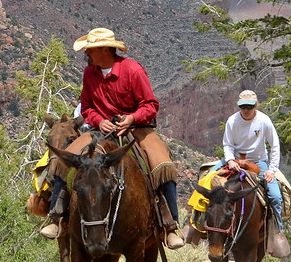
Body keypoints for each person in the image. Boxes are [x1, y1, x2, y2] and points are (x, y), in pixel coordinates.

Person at [40, 27, 184, 249]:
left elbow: (151, 106)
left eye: (91, 50)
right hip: (100, 131)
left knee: (162, 164)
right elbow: (86, 107)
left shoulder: (133, 70)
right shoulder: (90, 74)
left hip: (136, 130)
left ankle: (170, 225)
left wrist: (131, 118)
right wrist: (98, 120)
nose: (87, 54)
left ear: (105, 50)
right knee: (64, 159)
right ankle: (57, 215)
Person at [221, 90, 289, 258]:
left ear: (255, 106)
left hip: (259, 162)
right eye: (243, 106)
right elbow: (227, 144)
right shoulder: (232, 121)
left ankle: (278, 232)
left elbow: (275, 146)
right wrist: (229, 160)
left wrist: (271, 171)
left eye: (249, 107)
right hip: (235, 160)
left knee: (275, 196)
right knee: (208, 180)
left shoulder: (264, 121)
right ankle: (199, 226)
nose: (246, 110)